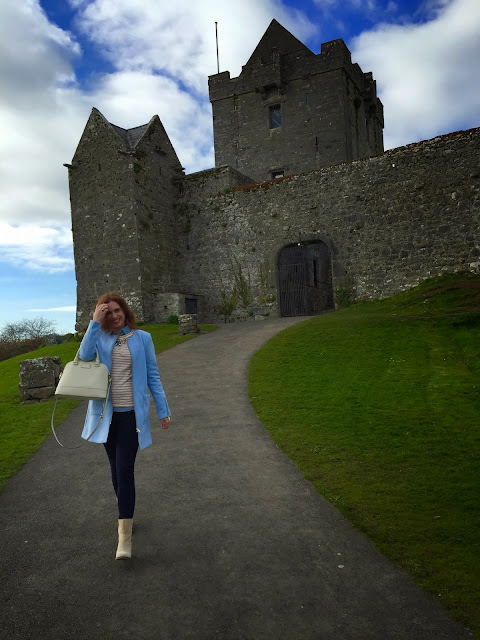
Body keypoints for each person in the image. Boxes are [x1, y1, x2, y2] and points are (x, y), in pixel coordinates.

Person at [79, 292, 171, 560]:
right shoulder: (99, 337)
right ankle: (126, 512)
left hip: (131, 415)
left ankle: (124, 538)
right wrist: (94, 323)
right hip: (105, 416)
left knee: (124, 470)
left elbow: (153, 375)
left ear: (125, 311)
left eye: (117, 310)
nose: (114, 316)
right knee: (115, 471)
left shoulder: (143, 338)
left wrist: (163, 410)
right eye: (108, 312)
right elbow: (84, 356)